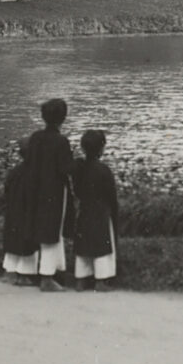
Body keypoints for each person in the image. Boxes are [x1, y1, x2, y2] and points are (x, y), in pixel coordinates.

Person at [25, 98, 74, 292]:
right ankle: (47, 276)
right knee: (53, 230)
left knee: (41, 227)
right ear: (63, 118)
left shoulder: (36, 137)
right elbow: (66, 169)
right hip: (54, 191)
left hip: (36, 189)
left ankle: (51, 269)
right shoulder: (61, 141)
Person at [70, 129, 120, 290]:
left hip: (85, 209)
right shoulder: (104, 170)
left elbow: (76, 190)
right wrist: (114, 210)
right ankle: (101, 280)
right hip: (101, 211)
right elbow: (111, 195)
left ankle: (80, 279)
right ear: (102, 148)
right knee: (102, 244)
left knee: (83, 244)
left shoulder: (79, 168)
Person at [0, 137, 37, 285]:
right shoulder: (35, 174)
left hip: (13, 211)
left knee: (13, 240)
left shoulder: (14, 172)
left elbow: (7, 191)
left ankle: (9, 271)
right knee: (28, 242)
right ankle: (24, 274)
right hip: (28, 213)